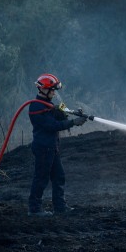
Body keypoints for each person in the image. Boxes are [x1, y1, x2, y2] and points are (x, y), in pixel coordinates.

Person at [27, 73, 86, 216]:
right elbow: (52, 125)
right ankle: (34, 210)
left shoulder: (49, 104)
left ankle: (60, 207)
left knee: (59, 176)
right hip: (43, 147)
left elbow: (60, 111)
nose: (54, 92)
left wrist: (73, 113)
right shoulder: (36, 106)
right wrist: (72, 123)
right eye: (52, 90)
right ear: (44, 90)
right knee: (41, 178)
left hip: (52, 147)